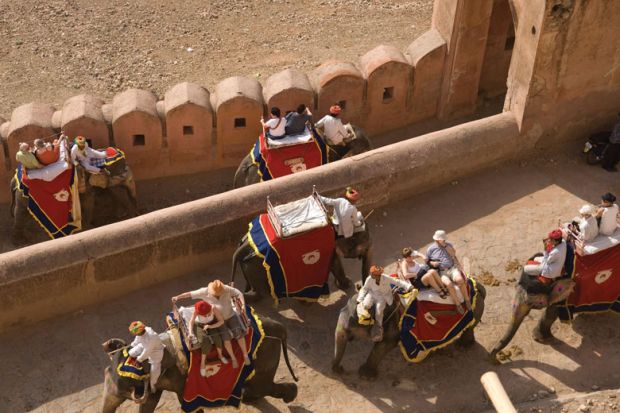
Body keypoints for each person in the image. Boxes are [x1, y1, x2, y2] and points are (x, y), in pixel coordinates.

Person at [172, 280, 251, 367]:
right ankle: (233, 358)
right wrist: (177, 297)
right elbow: (189, 294)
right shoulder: (204, 291)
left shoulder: (226, 288)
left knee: (239, 333)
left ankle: (245, 355)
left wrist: (243, 304)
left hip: (231, 315)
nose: (219, 293)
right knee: (226, 338)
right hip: (218, 319)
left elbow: (239, 293)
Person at [357, 265, 413, 342]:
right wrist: (360, 299)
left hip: (382, 297)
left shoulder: (386, 278)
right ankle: (365, 321)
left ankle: (379, 330)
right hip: (372, 294)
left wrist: (408, 286)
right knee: (366, 305)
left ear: (378, 275)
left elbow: (397, 282)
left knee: (379, 311)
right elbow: (365, 289)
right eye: (372, 273)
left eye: (373, 274)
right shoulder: (369, 279)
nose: (371, 275)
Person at [426, 230, 472, 314]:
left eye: (444, 239)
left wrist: (445, 246)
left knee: (460, 280)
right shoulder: (430, 249)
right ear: (436, 240)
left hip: (452, 268)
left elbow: (453, 254)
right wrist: (432, 263)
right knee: (449, 284)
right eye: (442, 240)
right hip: (442, 272)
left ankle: (467, 300)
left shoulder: (448, 245)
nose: (443, 241)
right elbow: (427, 261)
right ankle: (458, 304)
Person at [187, 300, 235, 376]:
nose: (206, 316)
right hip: (199, 325)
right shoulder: (196, 311)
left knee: (218, 338)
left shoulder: (213, 308)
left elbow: (221, 321)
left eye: (208, 314)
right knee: (205, 341)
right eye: (204, 315)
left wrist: (210, 326)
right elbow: (191, 322)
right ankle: (203, 363)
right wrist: (190, 332)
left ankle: (220, 355)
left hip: (211, 324)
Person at [128, 321, 164, 393]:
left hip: (156, 351)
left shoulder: (151, 336)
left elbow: (147, 351)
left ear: (139, 331)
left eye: (135, 333)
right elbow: (137, 340)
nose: (135, 334)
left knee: (154, 370)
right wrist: (131, 345)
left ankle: (153, 386)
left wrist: (139, 360)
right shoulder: (140, 333)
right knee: (131, 352)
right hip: (144, 345)